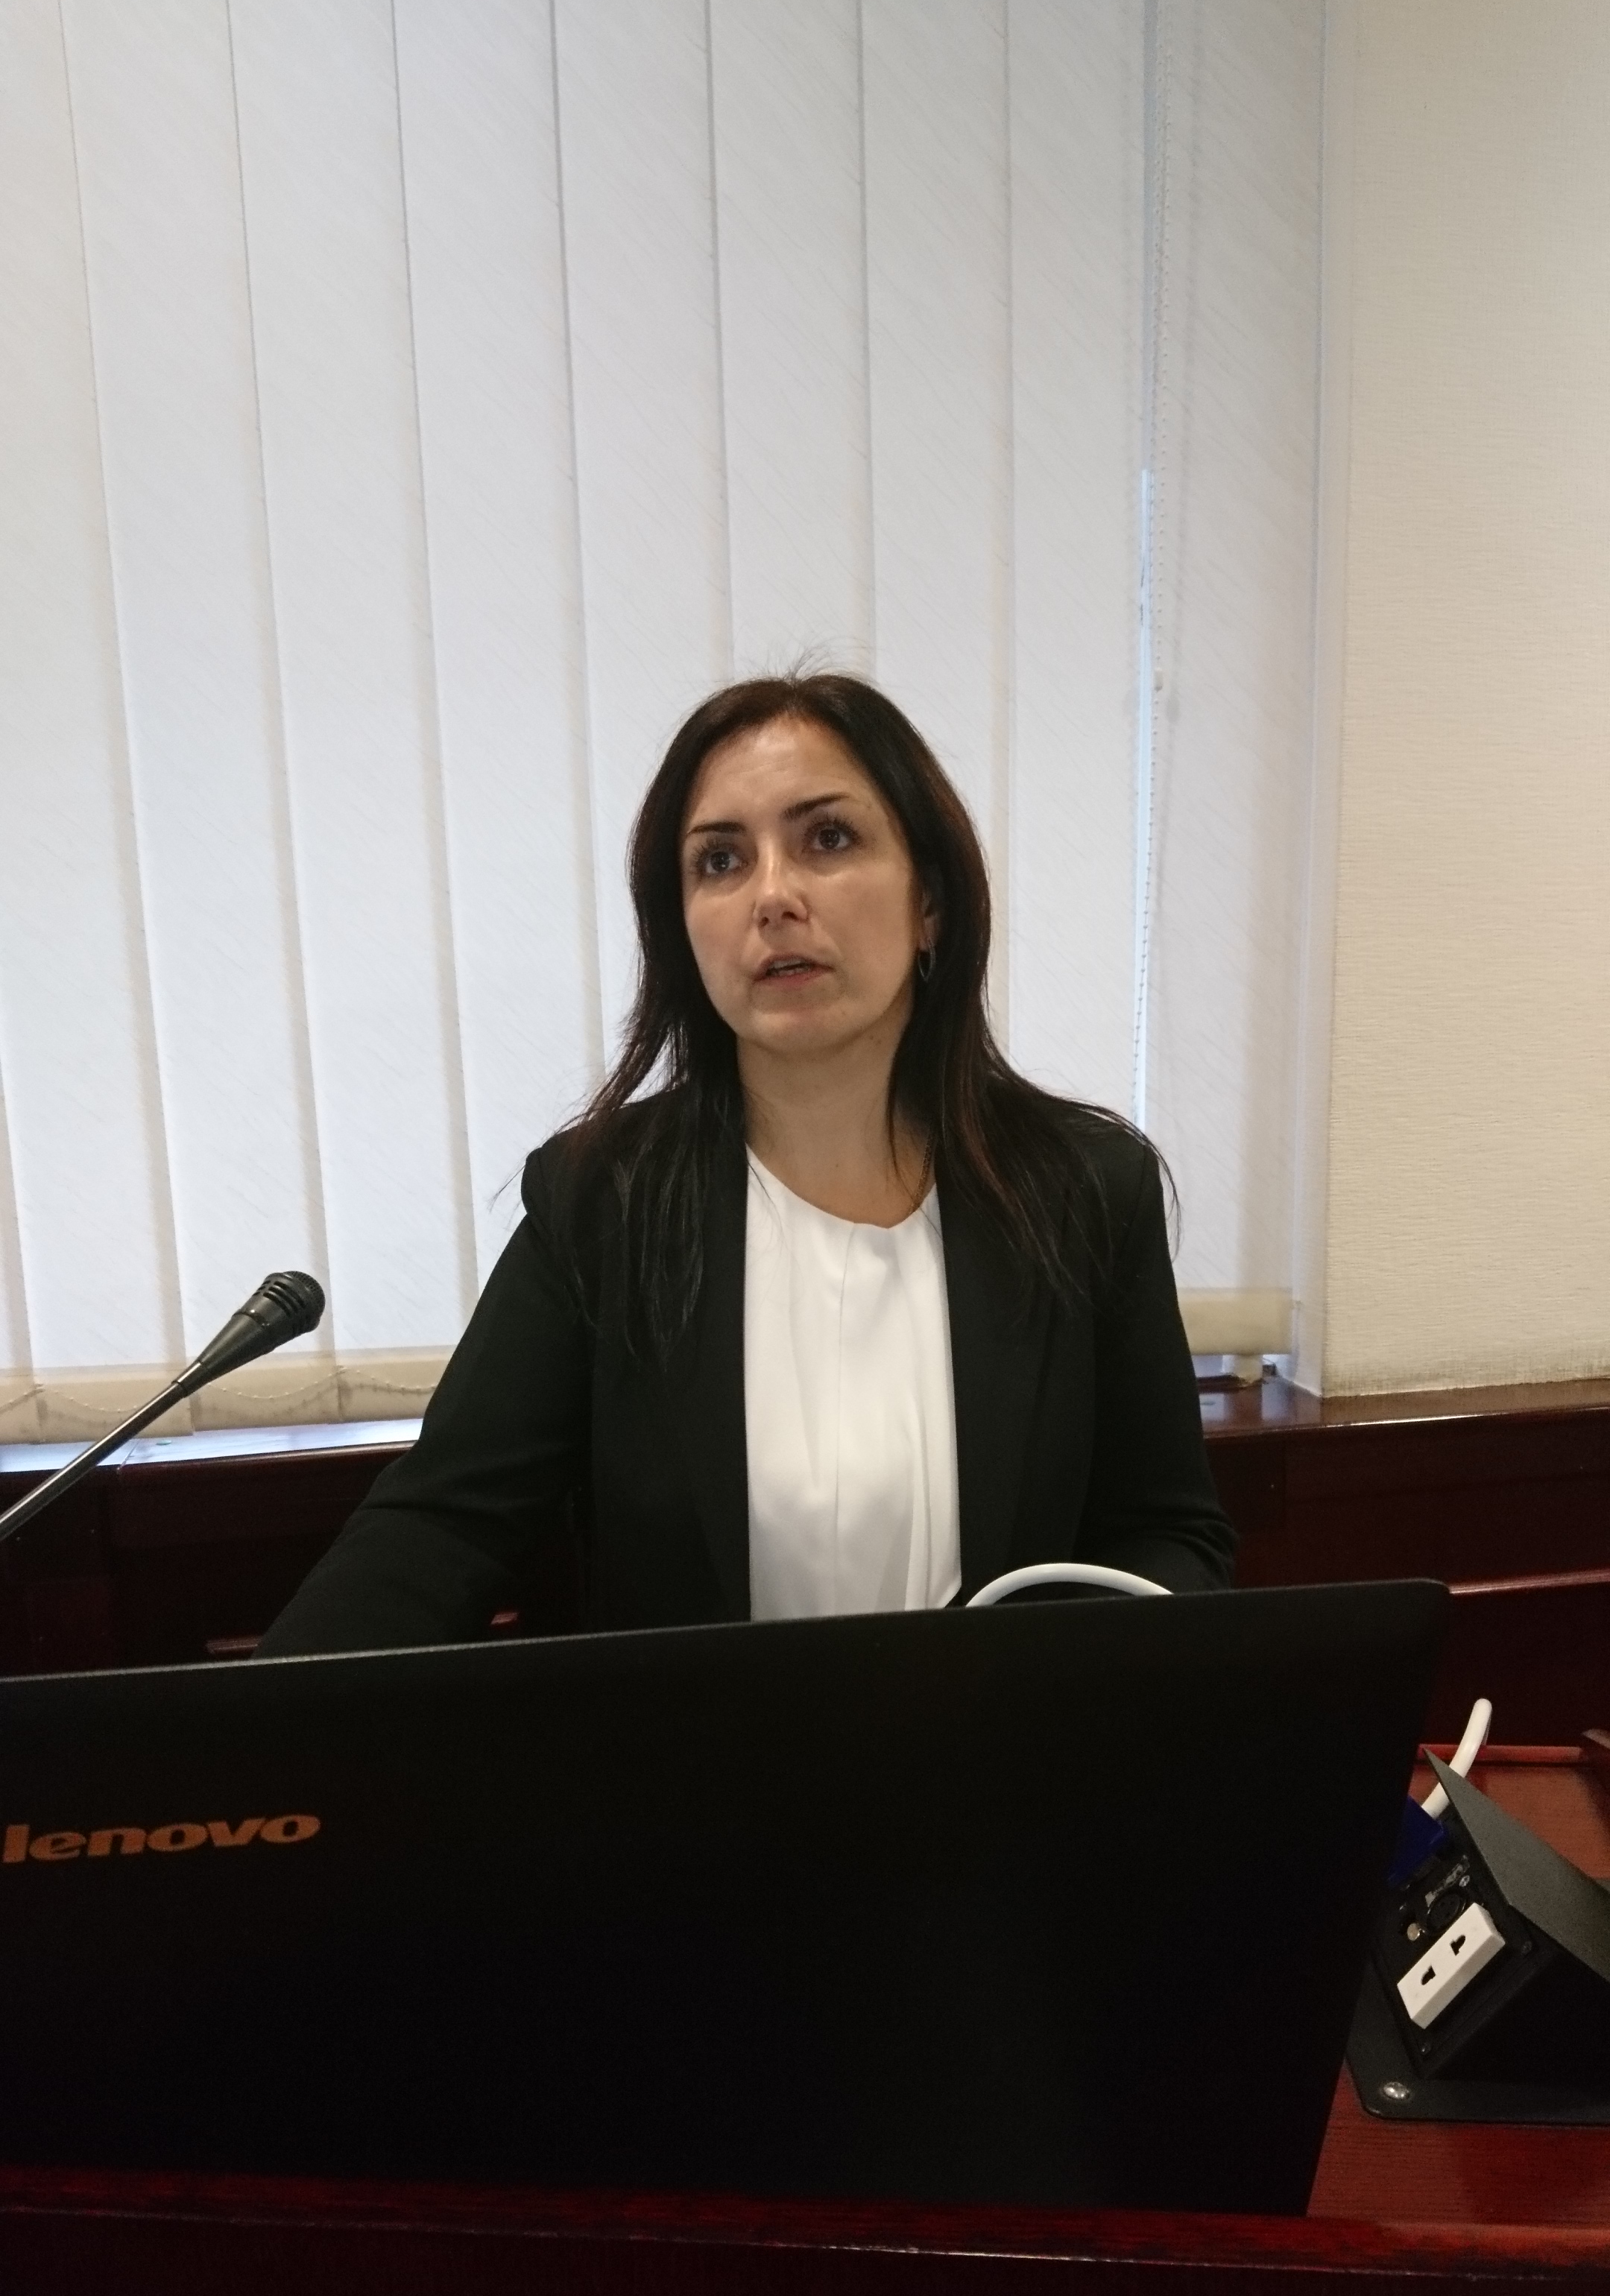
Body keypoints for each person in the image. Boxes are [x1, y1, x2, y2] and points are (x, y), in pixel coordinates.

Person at [258, 674, 1233, 1654]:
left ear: (930, 900)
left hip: (997, 1748)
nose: (773, 897)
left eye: (829, 839)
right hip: (698, 1755)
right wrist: (255, 1717)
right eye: (720, 861)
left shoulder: (1083, 1189)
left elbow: (1168, 1533)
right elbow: (443, 1526)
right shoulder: (607, 1202)